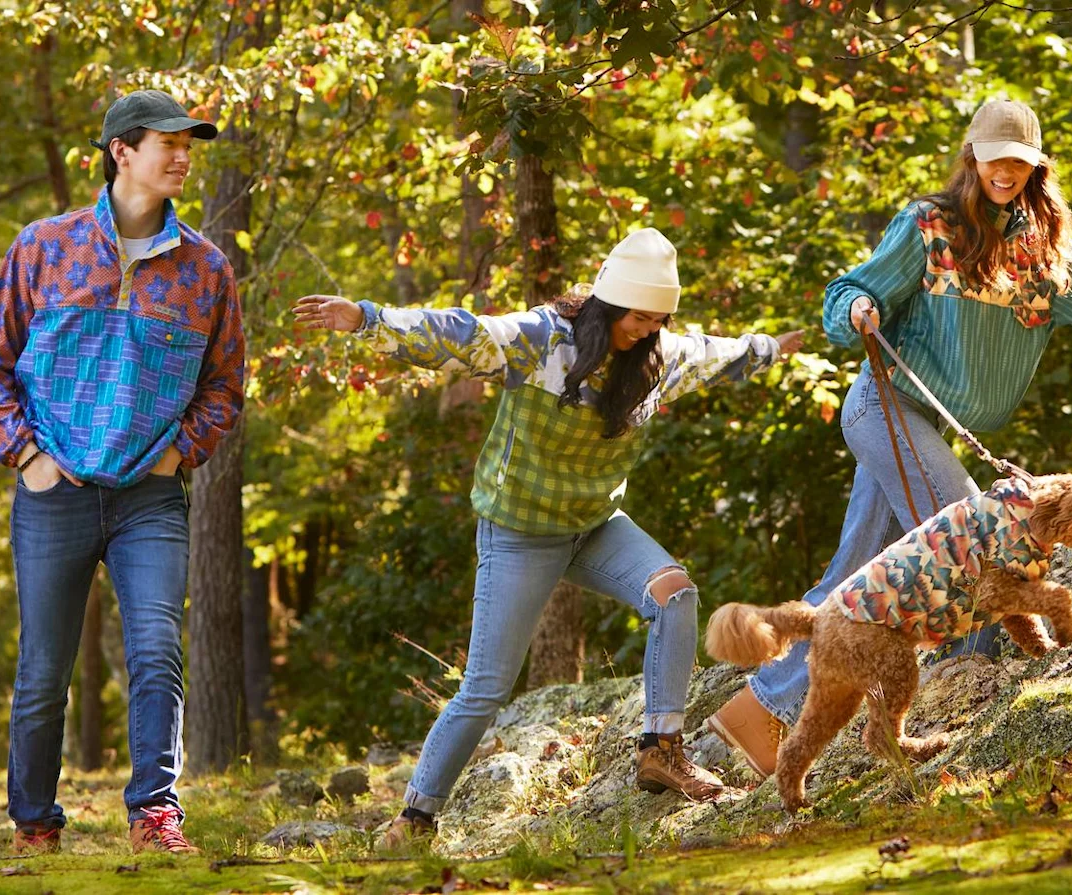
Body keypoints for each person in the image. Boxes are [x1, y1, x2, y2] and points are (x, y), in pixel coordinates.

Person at [706, 98, 1072, 779]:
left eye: (1018, 160)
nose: (1003, 170)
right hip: (885, 407)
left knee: (857, 578)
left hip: (922, 427)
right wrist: (857, 308)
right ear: (972, 156)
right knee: (976, 550)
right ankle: (950, 704)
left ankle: (753, 720)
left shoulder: (1050, 254)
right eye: (992, 155)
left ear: (1035, 167)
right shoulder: (930, 226)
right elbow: (851, 289)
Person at [293, 228, 803, 844]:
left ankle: (661, 750)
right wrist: (367, 319)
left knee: (675, 591)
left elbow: (718, 352)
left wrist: (774, 347)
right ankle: (416, 817)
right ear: (610, 305)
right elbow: (459, 332)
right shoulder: (542, 341)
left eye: (659, 319)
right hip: (520, 534)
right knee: (487, 685)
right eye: (640, 317)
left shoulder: (660, 355)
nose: (649, 329)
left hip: (595, 526)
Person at [0, 89, 245, 855]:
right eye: (169, 141)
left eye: (191, 143)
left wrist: (176, 453)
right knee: (42, 672)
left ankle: (155, 815)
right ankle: (34, 824)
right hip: (54, 494)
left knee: (157, 647)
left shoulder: (206, 269)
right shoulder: (44, 247)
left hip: (150, 498)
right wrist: (27, 458)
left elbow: (224, 386)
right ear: (122, 150)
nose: (184, 155)